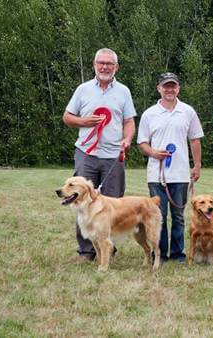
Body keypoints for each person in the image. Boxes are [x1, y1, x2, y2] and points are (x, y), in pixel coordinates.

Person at [63, 48, 136, 262]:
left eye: (109, 64)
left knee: (112, 203)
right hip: (86, 153)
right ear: (94, 65)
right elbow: (67, 117)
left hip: (113, 155)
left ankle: (108, 250)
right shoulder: (83, 89)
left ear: (116, 67)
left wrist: (128, 139)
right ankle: (86, 251)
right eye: (101, 63)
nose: (105, 67)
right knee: (81, 202)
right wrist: (83, 122)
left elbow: (129, 121)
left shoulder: (124, 91)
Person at [137, 72, 203, 263]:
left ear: (178, 88)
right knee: (158, 216)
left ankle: (177, 254)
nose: (169, 89)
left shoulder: (188, 111)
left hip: (181, 174)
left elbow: (195, 139)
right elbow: (142, 143)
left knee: (178, 217)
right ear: (159, 88)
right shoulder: (149, 114)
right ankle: (160, 253)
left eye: (173, 86)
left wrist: (197, 165)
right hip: (156, 175)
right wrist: (153, 153)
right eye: (166, 86)